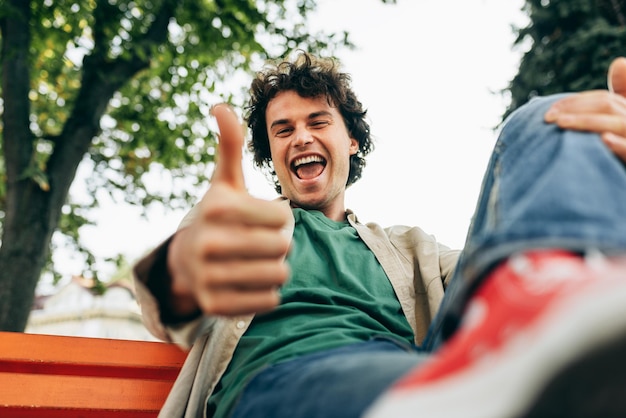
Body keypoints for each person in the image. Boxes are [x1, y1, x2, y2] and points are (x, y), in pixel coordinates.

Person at [133, 51, 626, 418]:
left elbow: (484, 277)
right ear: (271, 157)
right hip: (282, 385)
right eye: (282, 130)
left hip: (428, 375)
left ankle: (565, 314)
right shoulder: (239, 222)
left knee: (545, 119)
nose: (300, 136)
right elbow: (167, 301)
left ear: (350, 140)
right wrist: (185, 271)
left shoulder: (410, 250)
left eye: (317, 121)